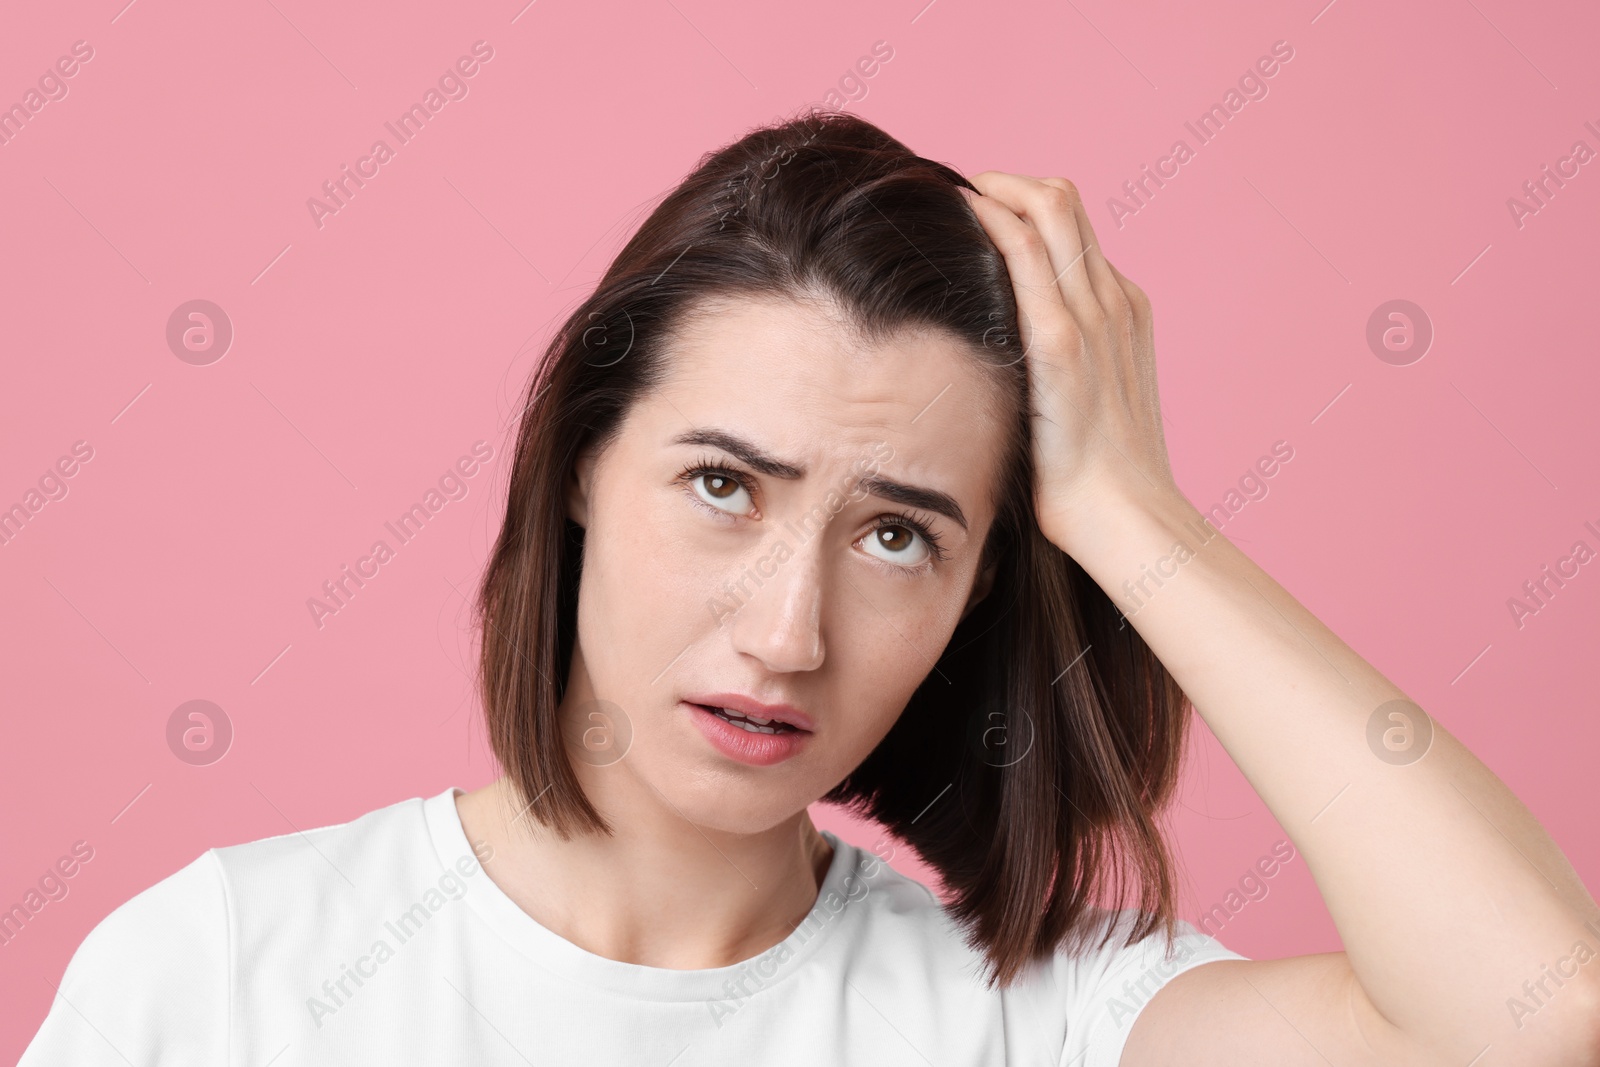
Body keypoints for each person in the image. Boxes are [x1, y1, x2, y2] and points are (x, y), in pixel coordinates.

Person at [20, 111, 1600, 1066]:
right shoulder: (228, 969)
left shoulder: (1022, 1022)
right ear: (581, 465)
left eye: (900, 533)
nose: (787, 633)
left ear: (984, 585)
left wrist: (1131, 511)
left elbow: (1527, 1019)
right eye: (723, 486)